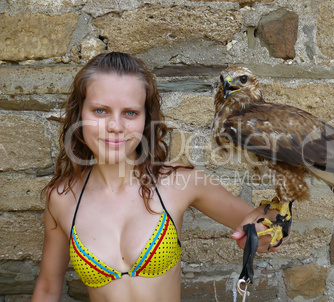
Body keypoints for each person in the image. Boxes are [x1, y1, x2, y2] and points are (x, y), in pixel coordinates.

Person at [32, 52, 280, 301]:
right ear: (79, 115)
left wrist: (268, 232)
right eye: (100, 111)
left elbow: (269, 222)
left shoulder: (179, 182)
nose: (115, 126)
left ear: (145, 120)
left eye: (130, 113)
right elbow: (47, 289)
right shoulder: (63, 199)